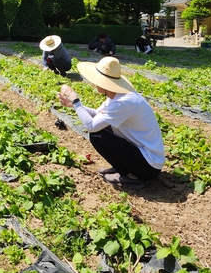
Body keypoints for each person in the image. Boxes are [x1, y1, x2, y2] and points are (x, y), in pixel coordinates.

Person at [58, 56, 164, 189]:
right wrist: (74, 106)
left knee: (97, 135)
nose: (95, 83)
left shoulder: (122, 102)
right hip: (144, 157)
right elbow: (97, 114)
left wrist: (75, 100)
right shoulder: (117, 95)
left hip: (148, 166)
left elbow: (91, 126)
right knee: (102, 130)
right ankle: (125, 168)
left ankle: (129, 176)